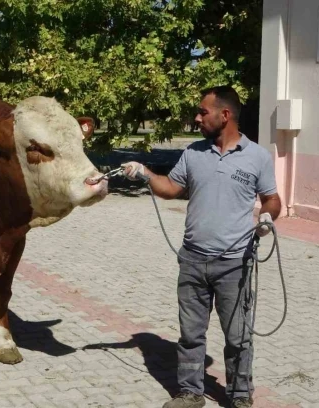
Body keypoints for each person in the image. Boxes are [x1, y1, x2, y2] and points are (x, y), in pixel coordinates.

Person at [121, 86, 281, 408]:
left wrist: (267, 217)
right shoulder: (193, 153)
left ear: (225, 115)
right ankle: (191, 393)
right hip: (192, 260)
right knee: (191, 335)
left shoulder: (257, 157)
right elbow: (170, 188)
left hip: (234, 264)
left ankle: (239, 396)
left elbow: (272, 199)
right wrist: (145, 173)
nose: (197, 118)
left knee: (238, 337)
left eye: (202, 112)